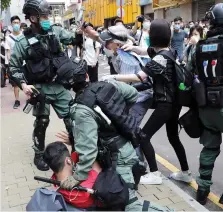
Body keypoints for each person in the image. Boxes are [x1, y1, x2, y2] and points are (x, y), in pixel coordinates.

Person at [57, 59, 172, 212]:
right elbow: (132, 94)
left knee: (129, 204)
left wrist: (77, 177)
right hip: (127, 147)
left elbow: (88, 149)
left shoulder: (81, 110)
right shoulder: (109, 85)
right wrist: (117, 115)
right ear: (86, 75)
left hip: (118, 159)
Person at [101, 19, 192, 185]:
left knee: (143, 136)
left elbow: (138, 77)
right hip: (175, 103)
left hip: (165, 105)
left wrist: (112, 77)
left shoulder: (160, 60)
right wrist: (133, 47)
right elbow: (145, 51)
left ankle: (155, 174)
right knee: (173, 137)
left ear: (154, 36)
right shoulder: (168, 51)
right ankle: (186, 172)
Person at [8, 0, 81, 171]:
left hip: (58, 85)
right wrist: (24, 85)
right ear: (33, 18)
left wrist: (81, 31)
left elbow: (73, 38)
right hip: (39, 88)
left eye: (48, 15)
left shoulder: (55, 31)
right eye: (44, 16)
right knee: (42, 121)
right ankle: (39, 153)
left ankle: (78, 151)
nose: (48, 19)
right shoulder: (23, 42)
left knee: (73, 117)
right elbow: (13, 66)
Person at [192, 3, 223, 205]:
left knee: (209, 149)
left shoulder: (198, 47)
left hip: (207, 107)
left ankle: (203, 191)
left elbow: (190, 72)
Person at [43, 141, 101, 209]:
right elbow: (95, 164)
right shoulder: (84, 190)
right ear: (68, 160)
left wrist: (73, 142)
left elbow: (75, 155)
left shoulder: (55, 180)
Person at [5, 16, 23, 109]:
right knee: (15, 83)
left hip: (24, 62)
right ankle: (17, 100)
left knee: (28, 81)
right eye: (14, 23)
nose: (16, 24)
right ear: (11, 24)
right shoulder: (8, 38)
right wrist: (10, 63)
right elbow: (8, 52)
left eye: (17, 22)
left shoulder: (23, 35)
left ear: (20, 23)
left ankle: (30, 99)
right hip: (14, 63)